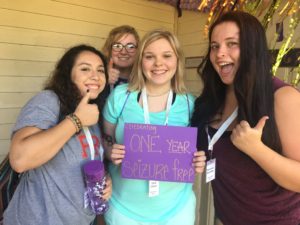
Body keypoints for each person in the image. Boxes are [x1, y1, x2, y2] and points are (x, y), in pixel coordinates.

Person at [191, 11, 300, 225]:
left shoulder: (283, 97)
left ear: (252, 48)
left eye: (231, 44)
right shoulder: (211, 99)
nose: (220, 53)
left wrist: (256, 149)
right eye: (214, 46)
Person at [102, 29, 206, 225]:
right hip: (123, 211)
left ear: (177, 60)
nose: (158, 63)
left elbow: (196, 150)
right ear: (141, 61)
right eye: (150, 57)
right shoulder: (120, 97)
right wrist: (109, 151)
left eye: (167, 56)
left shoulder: (188, 104)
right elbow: (105, 137)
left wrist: (198, 160)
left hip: (176, 212)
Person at [3, 44, 112, 225]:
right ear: (68, 73)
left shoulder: (93, 113)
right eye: (85, 68)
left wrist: (106, 181)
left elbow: (84, 159)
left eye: (101, 70)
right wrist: (76, 120)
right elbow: (19, 160)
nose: (95, 76)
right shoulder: (49, 101)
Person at [102, 25, 140, 90]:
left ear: (138, 50)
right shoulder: (98, 76)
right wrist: (102, 81)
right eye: (117, 46)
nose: (123, 52)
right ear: (109, 49)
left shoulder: (143, 79)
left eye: (130, 46)